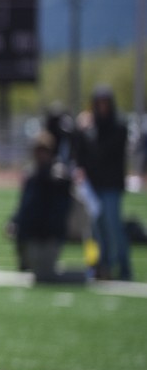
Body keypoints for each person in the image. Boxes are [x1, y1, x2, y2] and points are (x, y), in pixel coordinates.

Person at [6, 131, 87, 284]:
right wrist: (14, 222)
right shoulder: (32, 175)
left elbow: (60, 209)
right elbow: (24, 205)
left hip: (50, 234)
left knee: (45, 275)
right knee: (38, 274)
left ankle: (83, 275)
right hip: (33, 233)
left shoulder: (58, 176)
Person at [74, 85, 132, 280]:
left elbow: (104, 152)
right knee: (96, 230)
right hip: (93, 186)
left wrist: (88, 132)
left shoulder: (118, 127)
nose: (102, 107)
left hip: (111, 185)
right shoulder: (89, 128)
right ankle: (102, 266)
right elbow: (80, 154)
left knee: (114, 226)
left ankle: (124, 267)